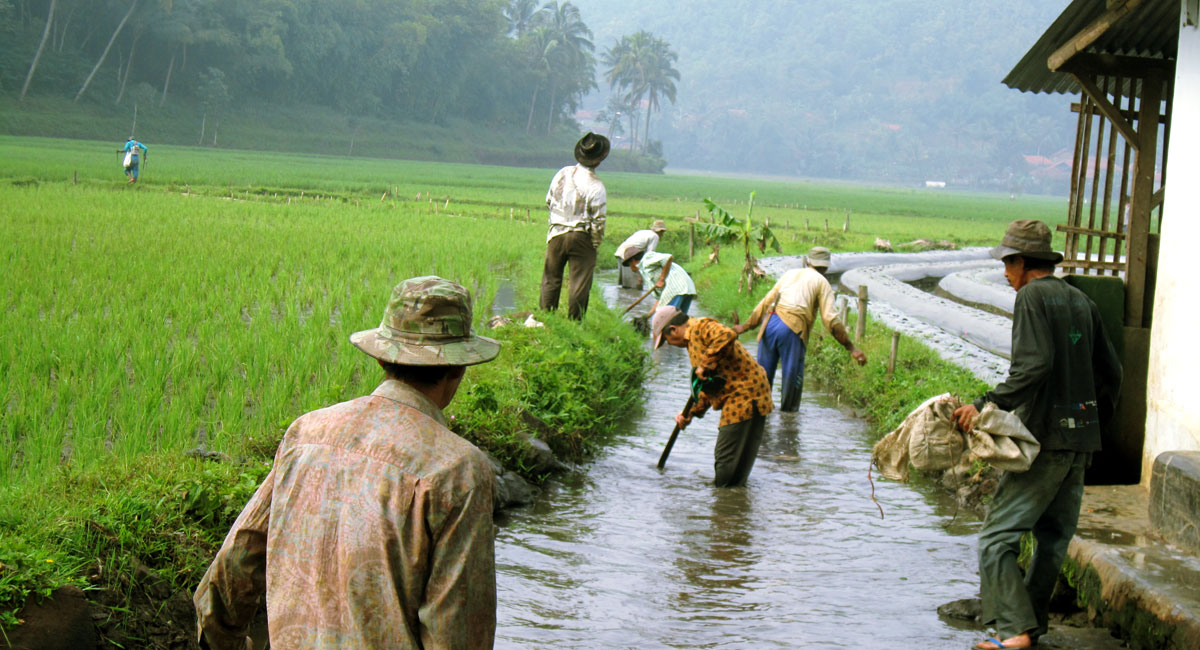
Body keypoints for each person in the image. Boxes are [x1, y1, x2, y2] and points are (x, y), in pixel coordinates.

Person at [194, 276, 501, 649]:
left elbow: (236, 565)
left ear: (382, 357)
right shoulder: (457, 470)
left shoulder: (306, 434)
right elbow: (459, 635)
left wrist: (223, 640)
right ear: (458, 368)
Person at [951, 220, 1122, 650]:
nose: (1005, 275)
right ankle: (1031, 628)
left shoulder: (1031, 297)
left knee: (995, 539)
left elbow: (1033, 367)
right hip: (1080, 442)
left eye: (1007, 265)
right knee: (1051, 539)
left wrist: (986, 403)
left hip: (1045, 439)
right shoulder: (1081, 301)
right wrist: (1092, 422)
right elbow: (1112, 374)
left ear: (1022, 262)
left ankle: (1013, 632)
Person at [732, 246, 866, 411]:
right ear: (826, 266)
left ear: (808, 261)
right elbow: (830, 320)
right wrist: (851, 348)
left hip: (770, 324)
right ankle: (788, 423)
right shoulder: (822, 282)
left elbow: (766, 302)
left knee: (762, 379)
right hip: (792, 330)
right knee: (791, 380)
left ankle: (758, 417)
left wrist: (745, 326)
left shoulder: (790, 274)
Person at [652, 306, 774, 487]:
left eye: (667, 340)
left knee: (726, 461)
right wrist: (690, 414)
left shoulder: (700, 327)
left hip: (745, 393)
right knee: (736, 466)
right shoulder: (691, 344)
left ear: (673, 329)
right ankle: (735, 505)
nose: (669, 344)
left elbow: (727, 335)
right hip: (744, 392)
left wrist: (705, 364)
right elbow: (709, 386)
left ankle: (724, 505)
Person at [539, 132, 610, 320]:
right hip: (581, 236)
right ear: (600, 159)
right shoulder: (597, 186)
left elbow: (548, 201)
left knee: (551, 278)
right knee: (579, 282)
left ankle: (547, 317)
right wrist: (594, 243)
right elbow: (599, 221)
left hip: (556, 233)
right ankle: (575, 322)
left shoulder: (562, 173)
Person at [625, 246, 696, 314]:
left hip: (676, 288)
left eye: (629, 264)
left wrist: (661, 279)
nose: (630, 268)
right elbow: (660, 298)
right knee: (679, 322)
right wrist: (649, 314)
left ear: (633, 261)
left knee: (667, 321)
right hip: (686, 288)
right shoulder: (644, 271)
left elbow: (668, 257)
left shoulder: (646, 259)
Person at [614, 220, 668, 288]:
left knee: (626, 285)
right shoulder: (655, 236)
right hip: (630, 256)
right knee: (635, 286)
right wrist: (641, 276)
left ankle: (624, 298)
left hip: (620, 253)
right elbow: (649, 256)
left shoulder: (643, 232)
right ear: (660, 231)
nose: (662, 235)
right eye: (662, 232)